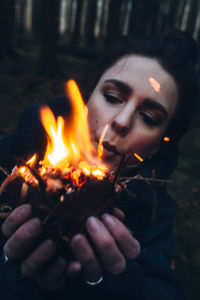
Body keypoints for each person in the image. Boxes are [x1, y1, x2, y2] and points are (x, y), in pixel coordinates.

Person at [0, 30, 199, 300]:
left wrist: (113, 283)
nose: (121, 121)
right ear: (86, 97)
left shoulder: (153, 213)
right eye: (113, 97)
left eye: (149, 117)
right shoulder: (9, 157)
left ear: (158, 145)